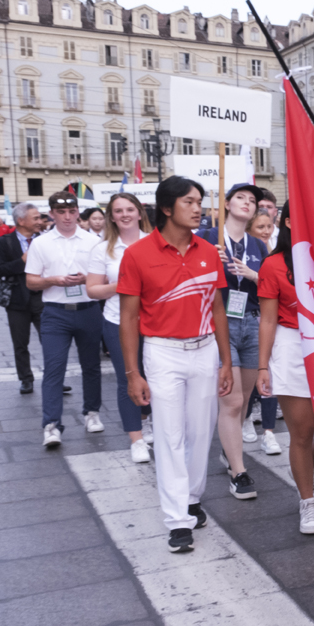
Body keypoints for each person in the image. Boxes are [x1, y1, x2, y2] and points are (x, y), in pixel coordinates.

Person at [118, 176, 233, 553]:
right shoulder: (137, 255)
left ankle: (192, 498)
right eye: (189, 202)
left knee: (201, 433)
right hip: (162, 352)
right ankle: (177, 520)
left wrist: (226, 361)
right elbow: (129, 318)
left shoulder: (208, 252)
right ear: (167, 208)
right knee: (169, 436)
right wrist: (133, 373)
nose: (199, 208)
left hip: (204, 351)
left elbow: (218, 307)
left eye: (200, 201)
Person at [198, 182, 267, 499]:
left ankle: (230, 445)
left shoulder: (257, 244)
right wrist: (209, 261)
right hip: (220, 323)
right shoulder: (208, 239)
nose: (247, 203)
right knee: (233, 400)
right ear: (226, 203)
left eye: (252, 200)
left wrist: (253, 275)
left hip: (252, 323)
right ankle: (238, 471)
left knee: (247, 396)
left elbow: (269, 285)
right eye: (240, 197)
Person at [257, 201, 314, 535]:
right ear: (288, 223)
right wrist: (262, 366)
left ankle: (304, 472)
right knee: (301, 433)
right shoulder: (273, 265)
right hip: (291, 347)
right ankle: (308, 502)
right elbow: (267, 319)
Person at [25, 191, 104, 447]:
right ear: (52, 214)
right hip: (56, 312)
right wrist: (54, 280)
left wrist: (86, 279)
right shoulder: (41, 243)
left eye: (72, 212)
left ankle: (91, 413)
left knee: (91, 365)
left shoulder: (93, 241)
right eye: (61, 212)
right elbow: (31, 282)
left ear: (78, 211)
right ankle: (51, 424)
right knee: (54, 368)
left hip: (88, 309)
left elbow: (104, 277)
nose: (68, 217)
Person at [87, 193, 155, 462]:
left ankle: (147, 419)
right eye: (118, 210)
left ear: (140, 213)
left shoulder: (156, 243)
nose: (125, 214)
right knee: (129, 377)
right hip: (117, 321)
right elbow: (92, 290)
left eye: (130, 209)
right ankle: (136, 438)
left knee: (156, 377)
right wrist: (124, 285)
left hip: (154, 322)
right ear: (111, 217)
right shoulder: (103, 249)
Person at [0, 203, 45, 393]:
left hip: (43, 298)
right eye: (36, 218)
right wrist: (22, 262)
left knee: (50, 340)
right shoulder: (4, 242)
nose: (40, 221)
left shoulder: (44, 240)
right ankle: (26, 378)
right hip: (17, 300)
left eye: (40, 218)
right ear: (21, 221)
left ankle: (54, 377)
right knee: (20, 343)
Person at [244, 209, 282, 454]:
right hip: (244, 321)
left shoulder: (273, 254)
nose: (266, 231)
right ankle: (245, 418)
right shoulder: (238, 250)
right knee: (248, 382)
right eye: (260, 227)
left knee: (271, 376)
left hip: (269, 320)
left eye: (269, 226)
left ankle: (269, 432)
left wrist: (254, 275)